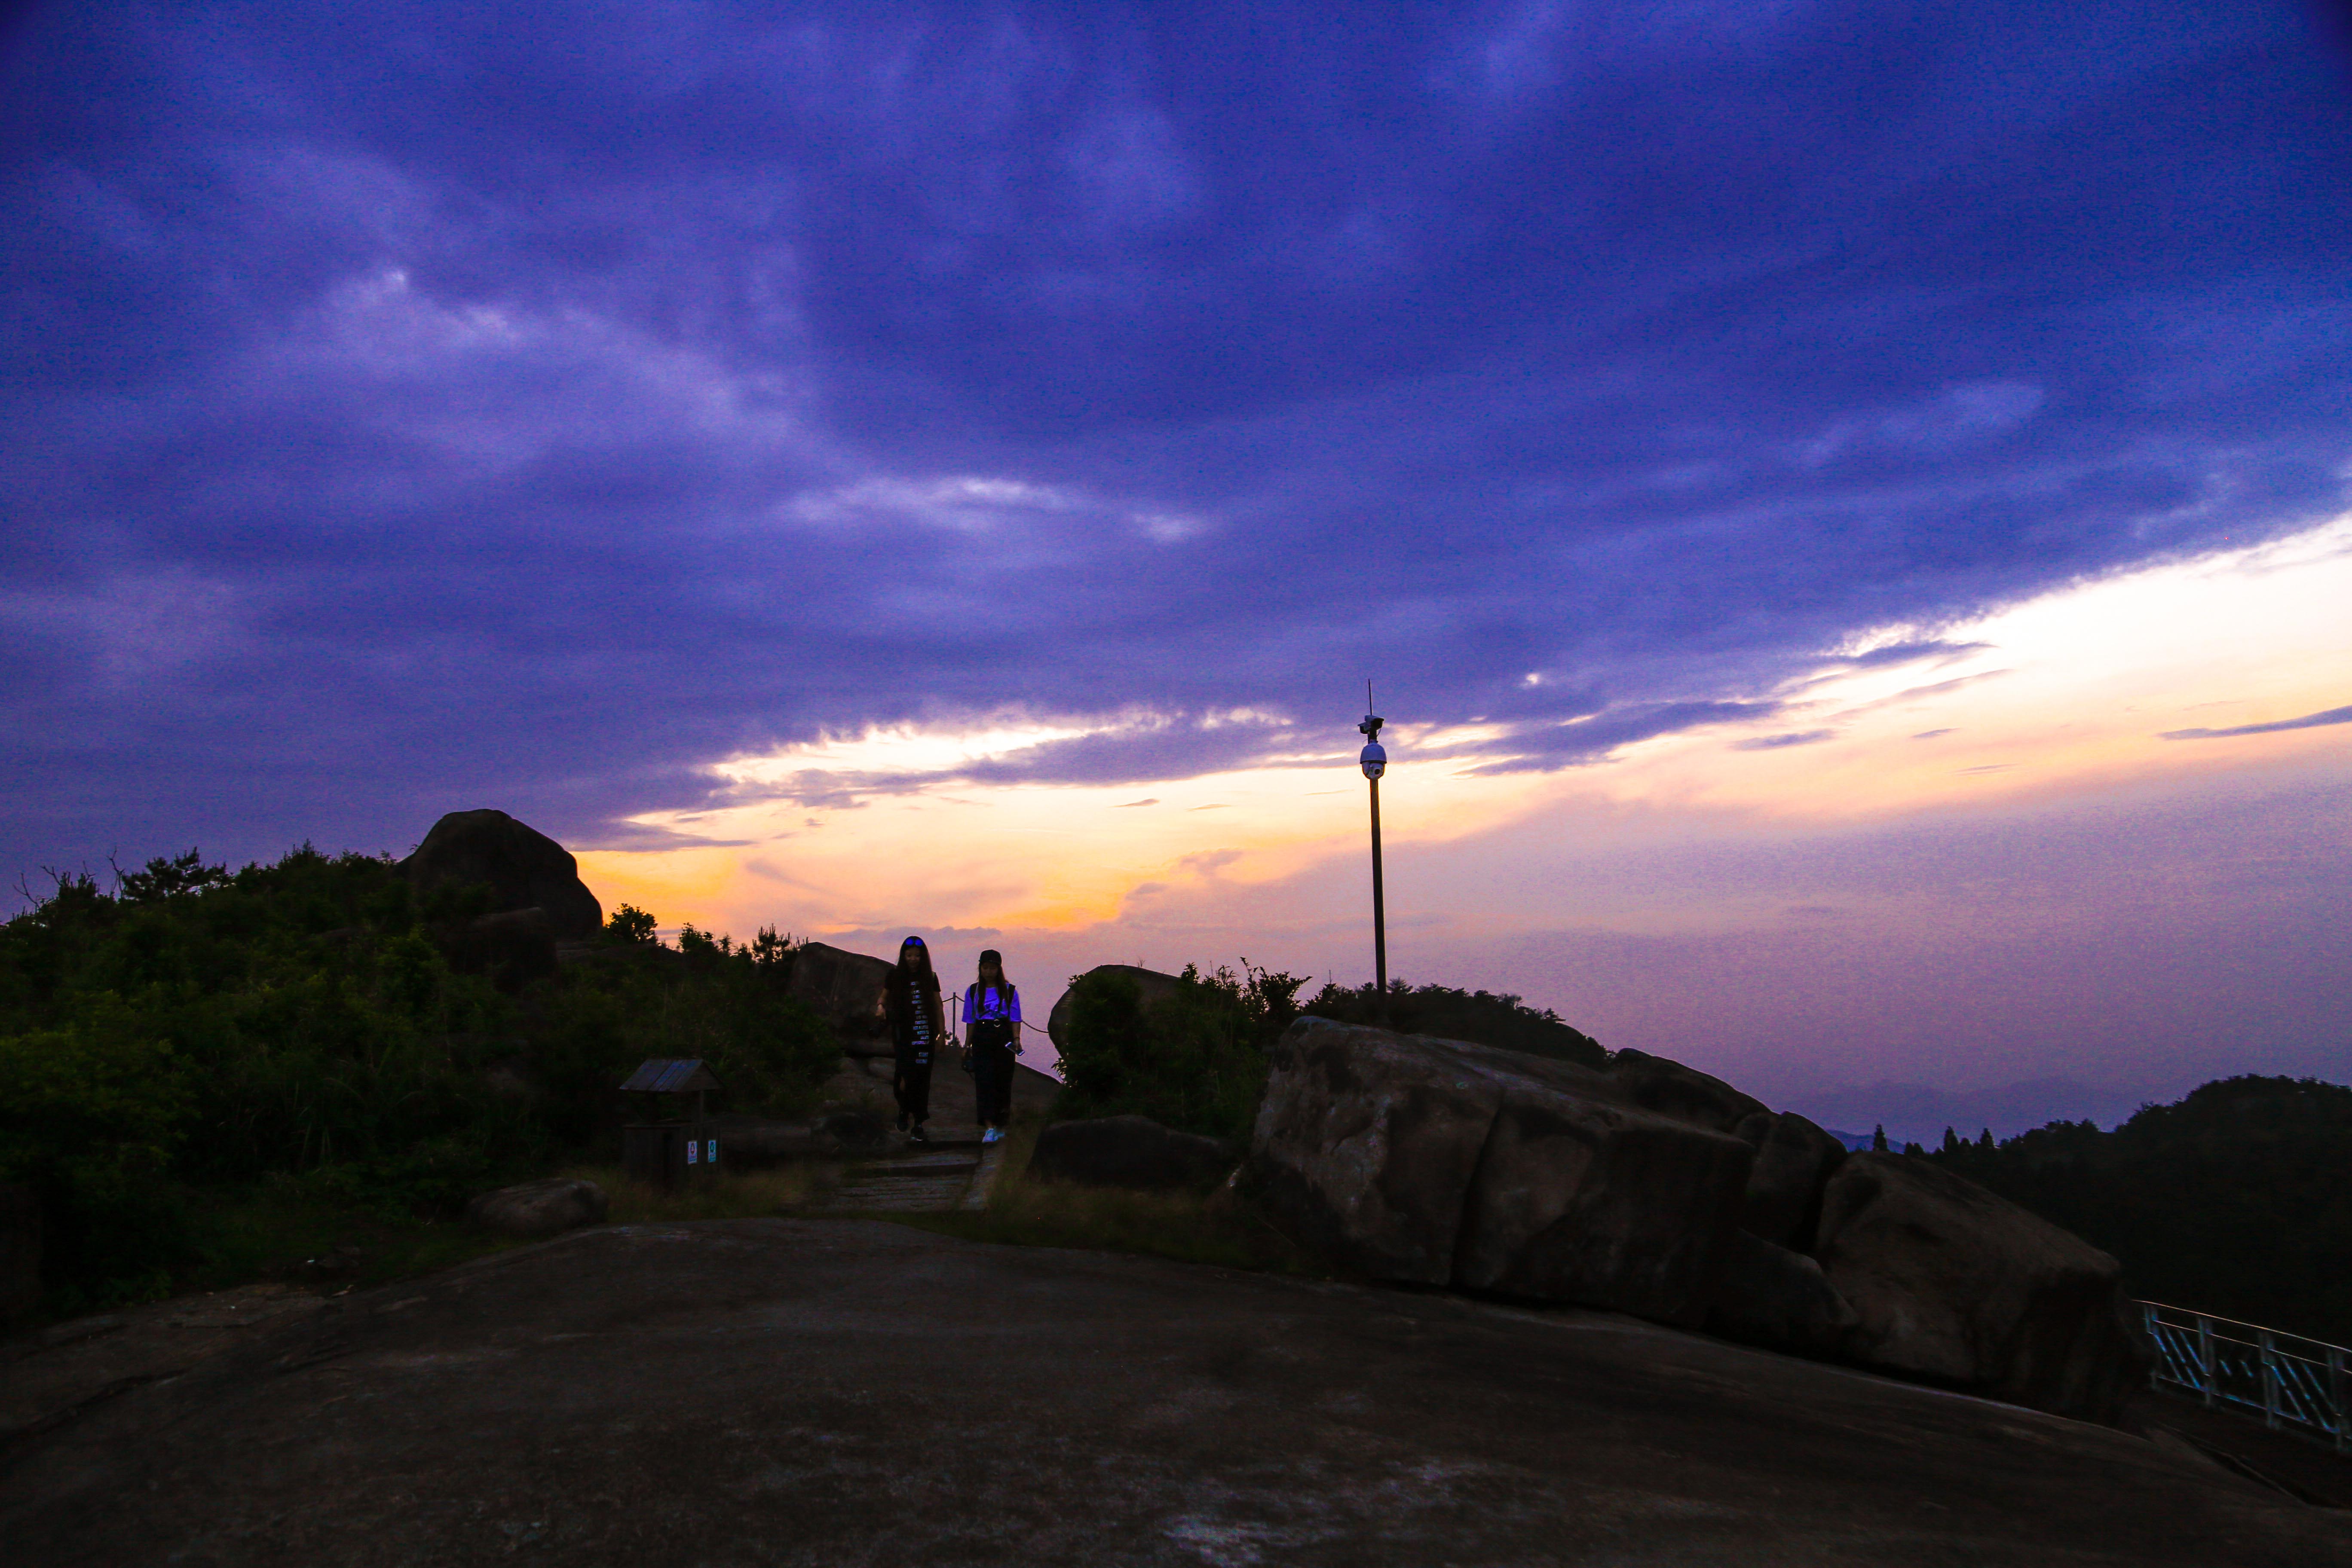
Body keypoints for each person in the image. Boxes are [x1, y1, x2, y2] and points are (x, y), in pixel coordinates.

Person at [886, 934, 945, 1144]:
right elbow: (884, 997)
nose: (913, 959)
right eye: (909, 955)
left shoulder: (930, 977)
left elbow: (938, 1005)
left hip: (924, 1036)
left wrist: (941, 1034)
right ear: (903, 956)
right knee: (902, 1080)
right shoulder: (894, 976)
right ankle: (904, 1110)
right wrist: (879, 1007)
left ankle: (919, 1123)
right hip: (903, 1036)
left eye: (917, 956)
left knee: (921, 1080)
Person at [962, 949, 1022, 1144]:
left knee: (1003, 1080)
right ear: (980, 968)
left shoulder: (1010, 990)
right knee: (984, 1080)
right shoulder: (973, 991)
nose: (988, 972)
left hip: (1003, 1035)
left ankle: (1002, 1122)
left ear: (999, 969)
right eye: (985, 968)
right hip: (982, 1034)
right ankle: (989, 1126)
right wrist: (967, 1044)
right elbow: (970, 1020)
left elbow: (1015, 1017)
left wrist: (1017, 1038)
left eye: (992, 968)